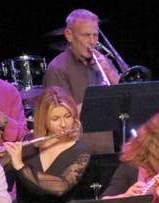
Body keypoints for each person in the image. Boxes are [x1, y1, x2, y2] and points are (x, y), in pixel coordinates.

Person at [43, 8, 119, 153]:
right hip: (74, 152)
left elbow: (126, 96)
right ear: (69, 35)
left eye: (95, 35)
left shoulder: (104, 62)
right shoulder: (58, 68)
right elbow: (61, 116)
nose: (92, 42)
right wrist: (100, 97)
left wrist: (109, 72)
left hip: (106, 148)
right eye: (85, 35)